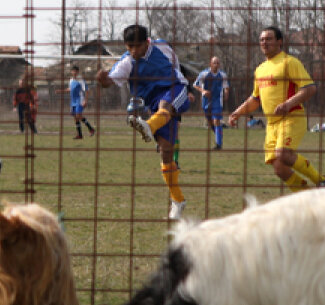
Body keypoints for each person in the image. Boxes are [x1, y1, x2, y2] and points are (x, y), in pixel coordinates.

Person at [97, 24, 192, 220]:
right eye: (129, 47)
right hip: (153, 105)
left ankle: (149, 125)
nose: (133, 51)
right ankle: (178, 200)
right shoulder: (127, 62)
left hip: (174, 88)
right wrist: (102, 80)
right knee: (166, 150)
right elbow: (110, 81)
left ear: (147, 42)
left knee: (166, 105)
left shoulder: (162, 47)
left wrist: (186, 87)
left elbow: (177, 66)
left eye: (137, 46)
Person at [227, 26, 325, 192]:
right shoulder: (260, 69)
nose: (264, 42)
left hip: (292, 117)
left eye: (269, 39)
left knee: (283, 153)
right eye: (262, 40)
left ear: (279, 41)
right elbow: (255, 99)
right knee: (279, 168)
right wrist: (238, 112)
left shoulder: (289, 62)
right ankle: (306, 196)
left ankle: (322, 181)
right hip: (272, 124)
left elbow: (310, 88)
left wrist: (287, 104)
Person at [193, 56, 230, 150]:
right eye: (214, 63)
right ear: (210, 64)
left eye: (217, 63)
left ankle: (219, 144)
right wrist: (203, 91)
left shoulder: (222, 75)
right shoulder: (204, 74)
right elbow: (195, 85)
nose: (216, 65)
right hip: (206, 101)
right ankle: (218, 134)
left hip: (217, 100)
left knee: (216, 121)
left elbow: (226, 86)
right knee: (210, 122)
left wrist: (226, 93)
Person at [68, 65, 95, 139]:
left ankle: (91, 129)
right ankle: (80, 135)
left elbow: (87, 90)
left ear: (78, 72)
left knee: (78, 116)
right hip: (73, 101)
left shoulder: (81, 80)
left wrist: (85, 100)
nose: (74, 72)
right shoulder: (71, 80)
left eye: (75, 71)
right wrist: (60, 91)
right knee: (75, 118)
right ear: (71, 72)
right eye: (73, 71)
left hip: (79, 100)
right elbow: (70, 89)